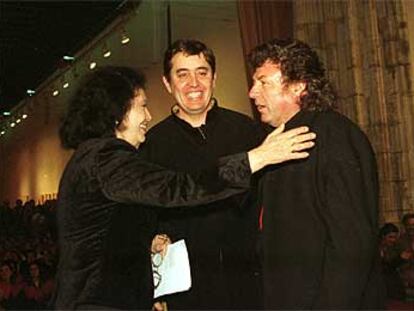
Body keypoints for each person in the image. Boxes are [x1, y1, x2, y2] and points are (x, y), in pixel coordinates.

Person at [51, 65, 315, 310]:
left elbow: (101, 229)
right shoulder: (107, 157)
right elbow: (178, 187)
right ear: (117, 113)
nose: (148, 116)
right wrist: (258, 157)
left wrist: (146, 242)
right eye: (142, 106)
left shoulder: (94, 157)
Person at [248, 38, 384, 309]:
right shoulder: (278, 140)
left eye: (264, 83)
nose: (252, 92)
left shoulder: (334, 136)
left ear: (299, 86)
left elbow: (351, 245)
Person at [140, 39, 265, 310]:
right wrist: (155, 285)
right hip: (188, 291)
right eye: (182, 74)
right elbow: (143, 219)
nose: (193, 83)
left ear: (214, 77)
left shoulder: (247, 131)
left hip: (249, 283)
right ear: (167, 83)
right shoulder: (152, 145)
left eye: (202, 72)